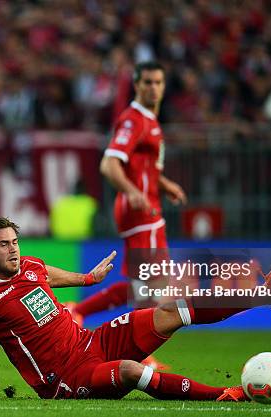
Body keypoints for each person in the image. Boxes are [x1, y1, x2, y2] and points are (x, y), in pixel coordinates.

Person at [0, 217, 271, 401]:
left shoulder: (30, 266)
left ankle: (267, 294)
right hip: (65, 379)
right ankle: (224, 397)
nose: (14, 250)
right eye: (4, 245)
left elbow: (47, 273)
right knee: (129, 371)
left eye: (15, 242)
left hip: (92, 343)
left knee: (170, 310)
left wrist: (88, 278)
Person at [71, 62, 187, 364]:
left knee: (143, 286)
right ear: (137, 85)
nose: (153, 87)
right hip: (140, 212)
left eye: (158, 82)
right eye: (147, 82)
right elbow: (109, 164)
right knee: (155, 289)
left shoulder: (150, 121)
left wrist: (165, 184)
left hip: (147, 209)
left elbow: (143, 167)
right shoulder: (133, 120)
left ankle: (79, 310)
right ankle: (140, 355)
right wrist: (134, 192)